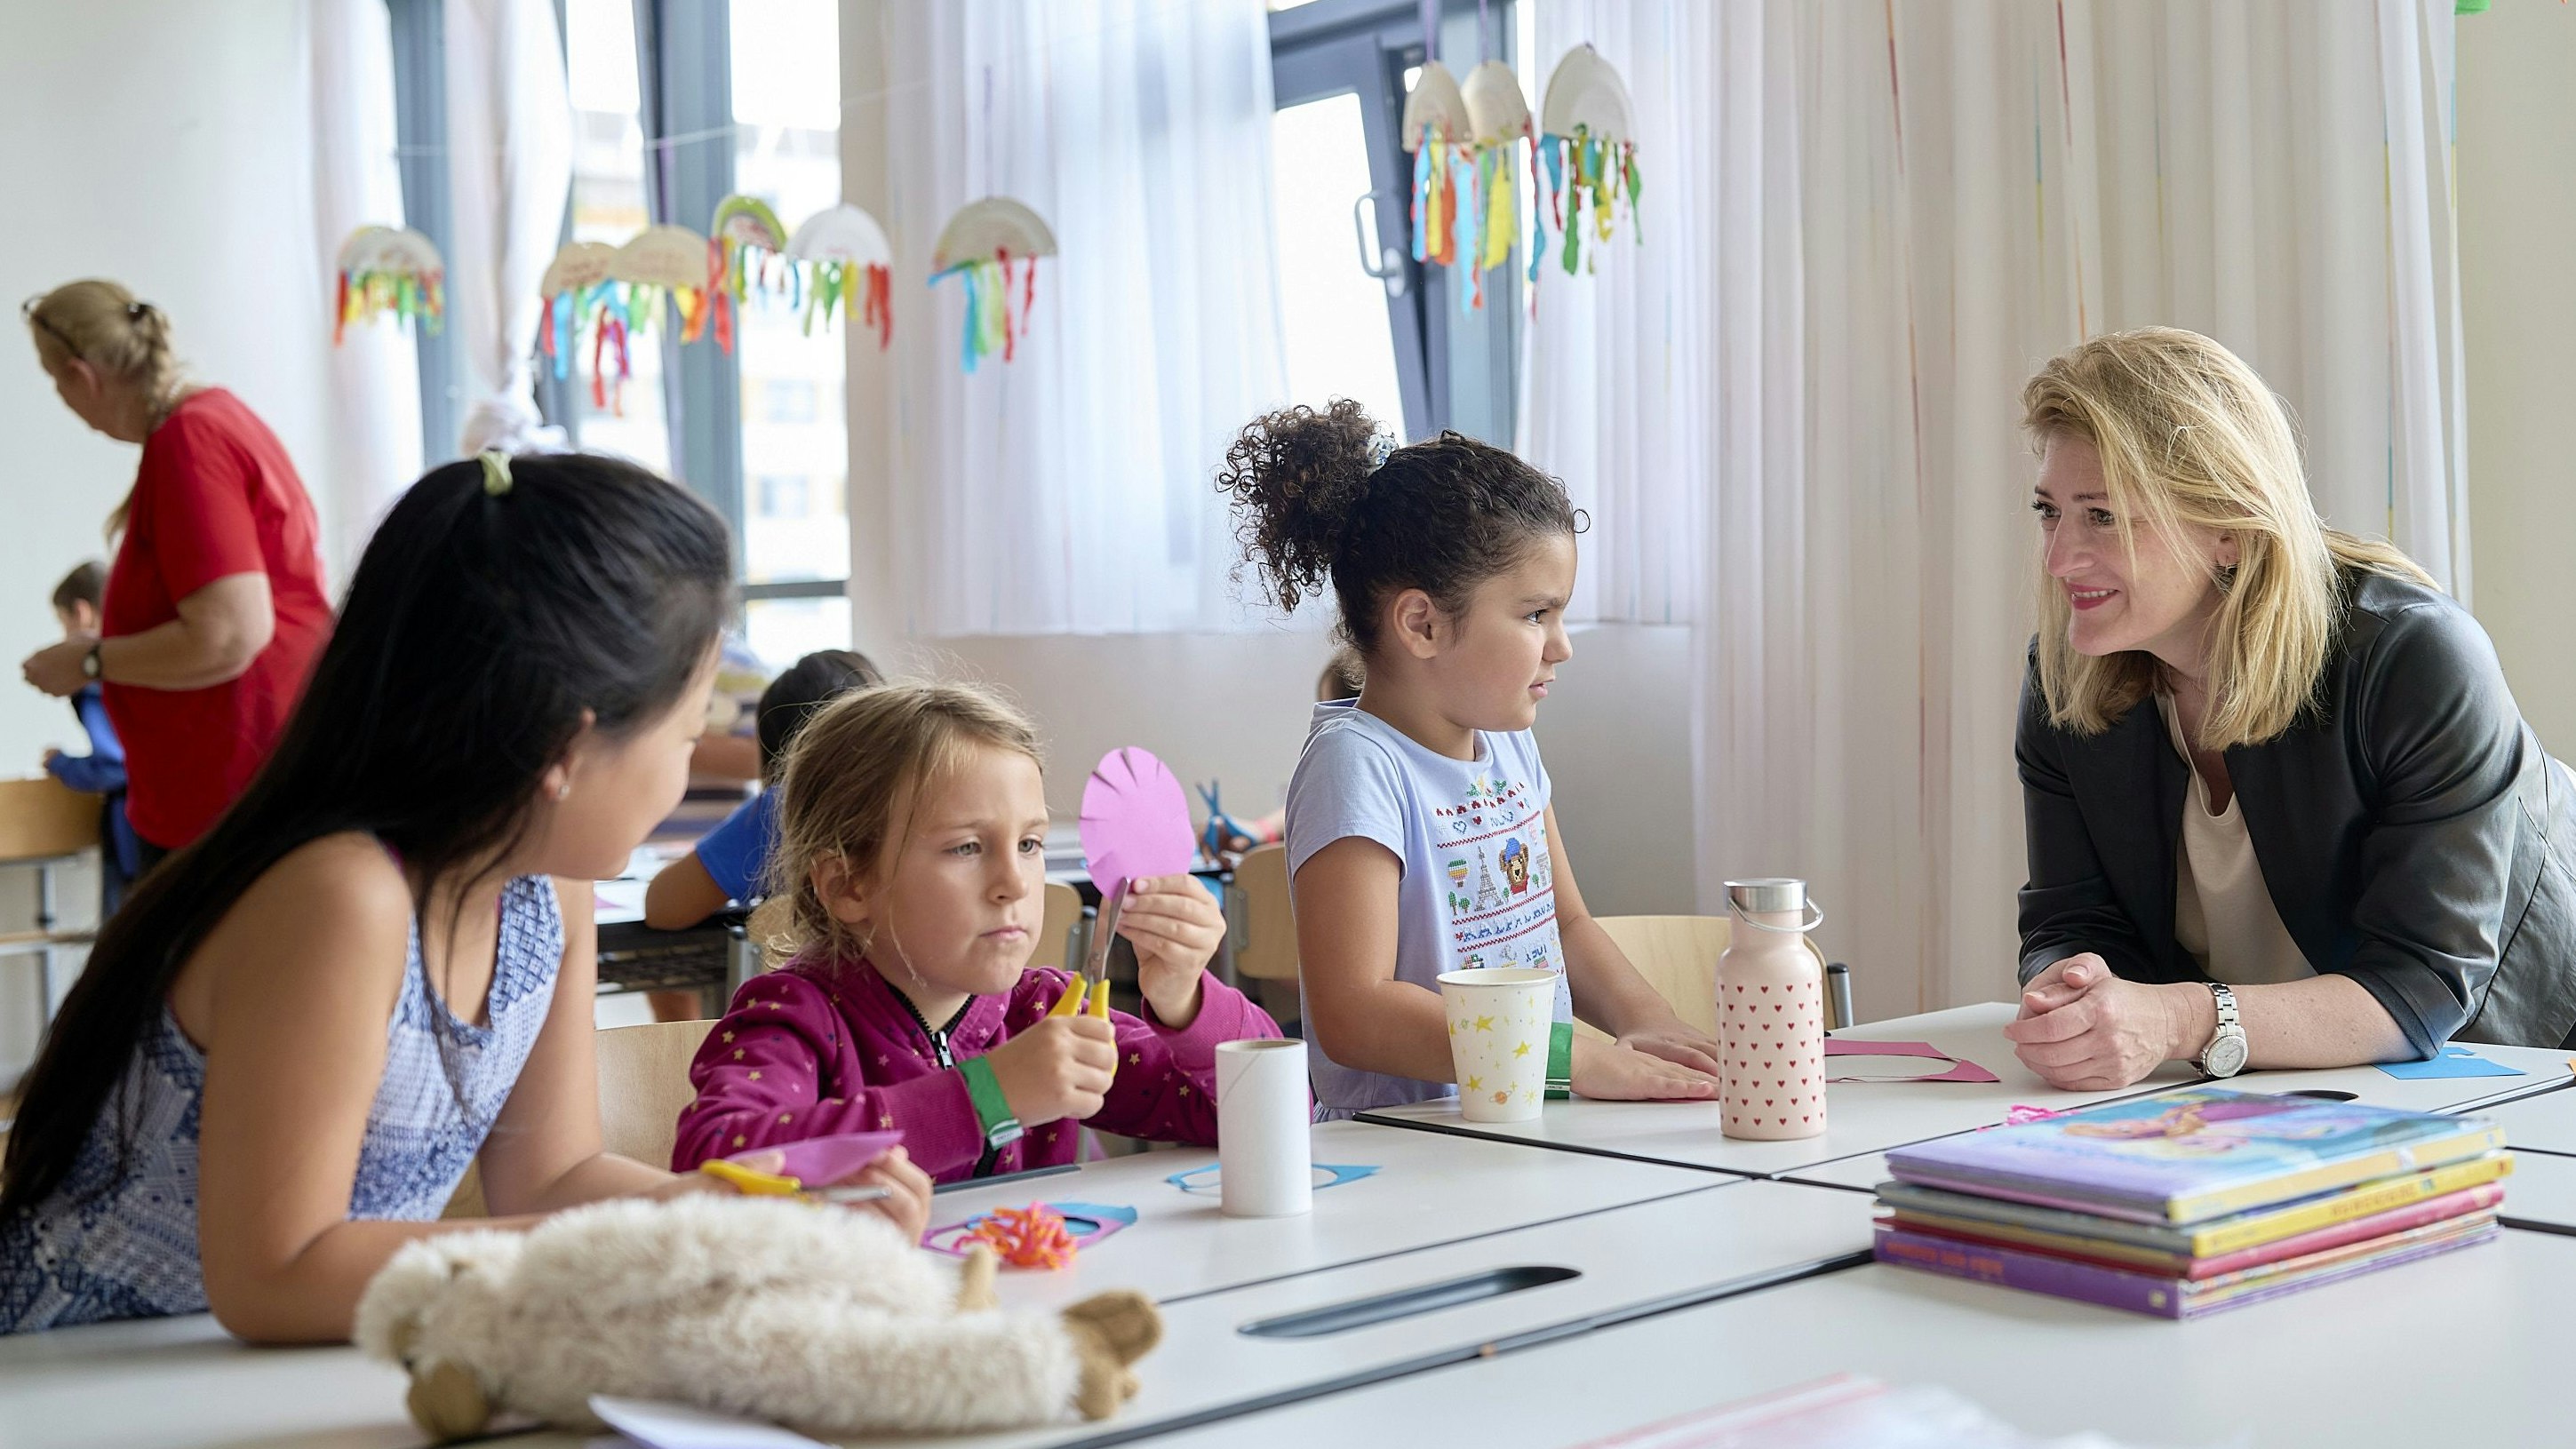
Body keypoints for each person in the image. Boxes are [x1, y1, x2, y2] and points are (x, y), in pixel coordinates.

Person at [0, 453, 929, 1341]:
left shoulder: (550, 891)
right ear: (568, 748)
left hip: (277, 1372)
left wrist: (761, 1215)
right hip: (76, 1376)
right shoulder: (345, 899)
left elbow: (553, 1175)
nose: (686, 772)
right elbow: (275, 1275)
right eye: (687, 736)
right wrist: (682, 1231)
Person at [2007, 327, 2576, 1092]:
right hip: (2281, 1081)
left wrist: (2178, 1018)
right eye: (2049, 510)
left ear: (2229, 528)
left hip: (2522, 1058)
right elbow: (2071, 920)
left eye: (2102, 515)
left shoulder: (2416, 657)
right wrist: (2077, 992)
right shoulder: (2064, 678)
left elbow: (2422, 982)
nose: (2058, 558)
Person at [1216, 401, 1724, 1119]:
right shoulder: (1355, 767)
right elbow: (1354, 1010)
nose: (1561, 645)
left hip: (1521, 1120)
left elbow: (1568, 924)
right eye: (1535, 614)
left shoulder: (1509, 742)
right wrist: (1573, 1057)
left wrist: (1649, 1021)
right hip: (1408, 1143)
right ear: (1421, 623)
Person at [670, 682, 1284, 1184]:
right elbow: (714, 1165)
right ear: (848, 885)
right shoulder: (794, 1017)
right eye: (966, 847)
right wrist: (988, 1096)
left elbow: (1272, 1115)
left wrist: (1186, 1000)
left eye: (1029, 844)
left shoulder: (1044, 1011)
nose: (1014, 882)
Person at [19, 282, 334, 867]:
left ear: (81, 376)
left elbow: (230, 633)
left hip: (234, 790)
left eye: (54, 380)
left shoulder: (191, 440)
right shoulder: (214, 419)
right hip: (250, 780)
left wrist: (88, 661)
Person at [642, 649, 881, 1021]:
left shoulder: (781, 810)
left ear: (775, 754)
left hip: (808, 1025)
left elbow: (663, 907)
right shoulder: (924, 798)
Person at [40, 561, 141, 914]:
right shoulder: (144, 660)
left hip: (133, 832)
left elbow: (115, 765)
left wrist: (61, 764)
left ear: (81, 613)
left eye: (63, 621)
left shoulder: (97, 682)